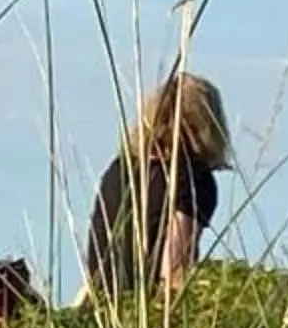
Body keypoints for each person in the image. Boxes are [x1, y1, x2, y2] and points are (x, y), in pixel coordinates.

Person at [81, 72, 231, 302]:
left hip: (103, 310)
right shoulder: (192, 179)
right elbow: (173, 270)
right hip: (145, 315)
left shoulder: (119, 169)